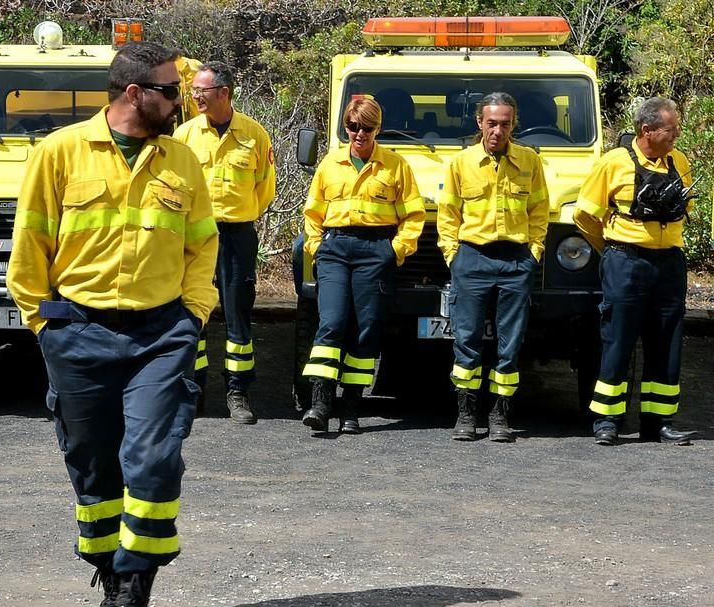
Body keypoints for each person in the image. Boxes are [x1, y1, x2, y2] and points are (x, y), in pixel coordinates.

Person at [5, 42, 218, 607]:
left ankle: (136, 597)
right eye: (171, 91)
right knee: (93, 466)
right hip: (79, 333)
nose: (182, 101)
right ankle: (108, 581)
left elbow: (203, 247)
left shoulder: (183, 161)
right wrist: (45, 327)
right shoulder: (60, 152)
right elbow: (29, 247)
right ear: (134, 94)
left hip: (160, 336)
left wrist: (193, 317)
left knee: (152, 462)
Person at [574, 97, 697, 446]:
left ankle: (659, 422)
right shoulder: (613, 163)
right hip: (625, 262)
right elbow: (584, 214)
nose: (676, 135)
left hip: (669, 263)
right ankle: (607, 421)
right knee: (618, 340)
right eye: (670, 130)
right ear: (647, 130)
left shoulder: (679, 161)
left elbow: (684, 205)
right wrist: (611, 251)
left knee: (667, 341)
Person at [301, 97, 425, 434]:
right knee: (332, 322)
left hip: (375, 250)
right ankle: (321, 403)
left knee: (366, 328)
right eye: (353, 127)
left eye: (366, 128)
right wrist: (317, 247)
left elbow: (414, 216)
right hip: (336, 249)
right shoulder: (330, 164)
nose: (359, 134)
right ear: (346, 127)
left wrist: (394, 250)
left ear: (377, 128)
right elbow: (313, 213)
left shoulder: (396, 166)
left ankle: (352, 406)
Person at [437, 92, 548, 443]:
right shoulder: (461, 163)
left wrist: (534, 254)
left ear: (513, 125)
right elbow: (448, 215)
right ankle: (466, 414)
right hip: (472, 258)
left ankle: (500, 415)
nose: (498, 130)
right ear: (479, 123)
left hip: (516, 260)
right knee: (467, 340)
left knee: (509, 343)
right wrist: (453, 256)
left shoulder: (530, 161)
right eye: (491, 123)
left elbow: (540, 211)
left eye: (505, 123)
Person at [173, 61, 276, 424]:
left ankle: (238, 392)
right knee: (191, 313)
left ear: (224, 93)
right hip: (193, 236)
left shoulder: (254, 134)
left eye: (201, 91)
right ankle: (192, 390)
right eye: (193, 90)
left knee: (238, 317)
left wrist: (240, 214)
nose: (194, 96)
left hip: (236, 236)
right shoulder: (184, 135)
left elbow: (264, 189)